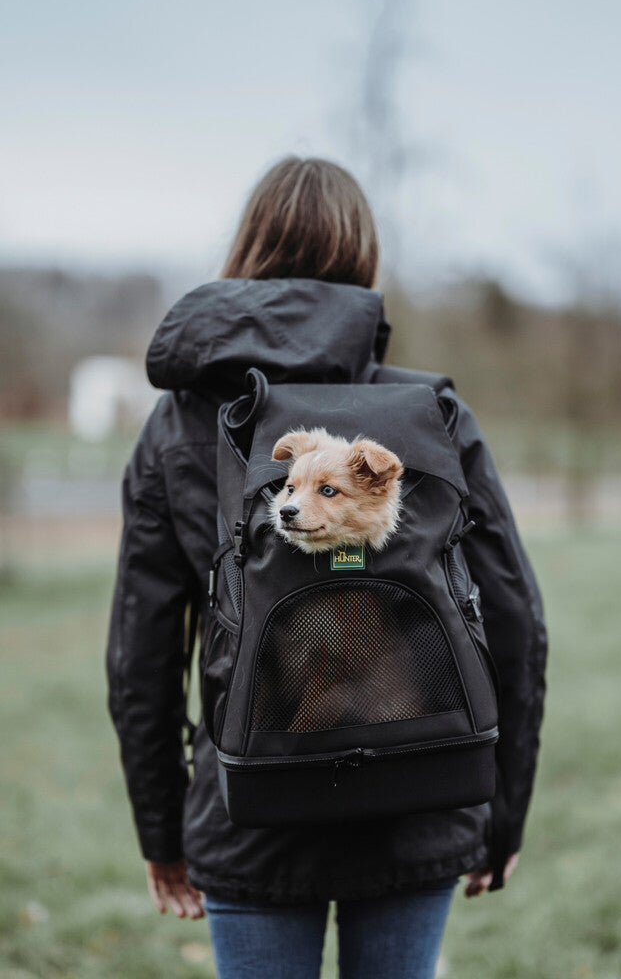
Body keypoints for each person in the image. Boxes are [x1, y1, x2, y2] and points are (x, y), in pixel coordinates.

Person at [106, 156, 547, 979]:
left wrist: (163, 832)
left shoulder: (179, 424)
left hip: (249, 807)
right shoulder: (432, 413)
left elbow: (142, 650)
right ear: (364, 262)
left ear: (246, 249)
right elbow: (516, 618)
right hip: (422, 791)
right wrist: (501, 809)